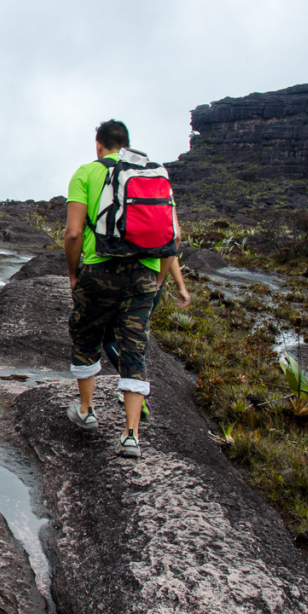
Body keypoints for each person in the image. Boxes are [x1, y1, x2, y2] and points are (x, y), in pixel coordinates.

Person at [64, 120, 174, 459]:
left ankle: (86, 410)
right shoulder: (154, 175)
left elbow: (73, 233)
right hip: (144, 273)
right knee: (134, 350)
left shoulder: (86, 172)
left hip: (99, 271)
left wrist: (73, 274)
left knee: (87, 337)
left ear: (98, 145)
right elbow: (175, 237)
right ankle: (130, 436)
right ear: (126, 144)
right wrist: (158, 280)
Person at [102, 255, 190, 422]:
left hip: (122, 276)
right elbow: (172, 245)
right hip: (154, 281)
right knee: (138, 335)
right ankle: (133, 387)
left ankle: (135, 388)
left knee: (110, 339)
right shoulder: (163, 227)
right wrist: (180, 286)